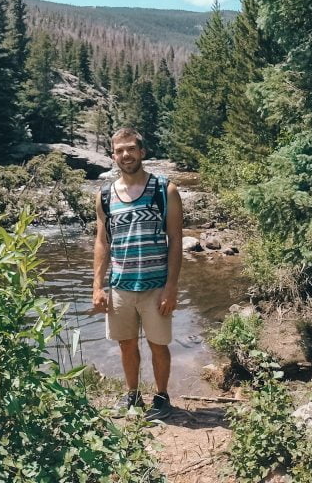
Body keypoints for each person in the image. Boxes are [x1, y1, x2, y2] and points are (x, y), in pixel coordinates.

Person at [93, 127, 183, 420]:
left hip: (156, 285)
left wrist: (171, 287)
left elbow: (176, 241)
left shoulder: (164, 190)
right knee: (126, 344)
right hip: (120, 285)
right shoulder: (105, 196)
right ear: (112, 156)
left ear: (142, 152)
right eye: (119, 150)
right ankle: (131, 396)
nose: (125, 155)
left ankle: (161, 398)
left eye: (131, 149)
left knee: (159, 345)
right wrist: (97, 286)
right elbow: (102, 242)